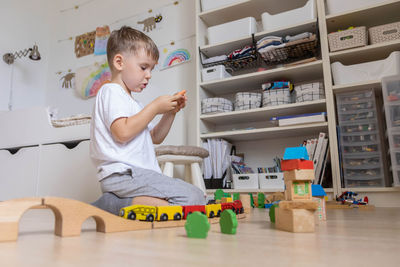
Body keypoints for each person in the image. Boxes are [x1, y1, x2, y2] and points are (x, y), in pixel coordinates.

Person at [90, 26, 206, 215]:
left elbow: (155, 137)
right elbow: (122, 132)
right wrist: (154, 107)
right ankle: (111, 205)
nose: (149, 75)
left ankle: (114, 203)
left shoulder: (133, 103)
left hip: (137, 176)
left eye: (151, 69)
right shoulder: (110, 91)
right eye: (143, 67)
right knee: (194, 198)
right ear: (119, 62)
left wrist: (170, 112)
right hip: (123, 174)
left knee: (188, 199)